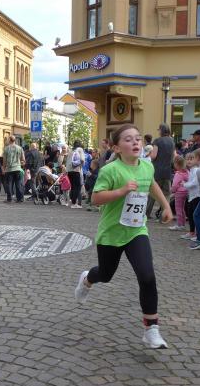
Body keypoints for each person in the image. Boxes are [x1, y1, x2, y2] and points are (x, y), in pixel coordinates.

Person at [73, 124, 173, 349]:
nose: (135, 142)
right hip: (111, 233)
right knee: (106, 274)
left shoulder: (146, 166)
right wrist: (121, 191)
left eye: (138, 138)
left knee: (147, 276)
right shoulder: (111, 170)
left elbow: (152, 184)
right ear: (117, 148)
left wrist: (166, 205)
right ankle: (87, 279)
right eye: (128, 139)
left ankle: (151, 329)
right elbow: (96, 199)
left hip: (137, 230)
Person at [146, 123, 175, 219]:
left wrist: (148, 155)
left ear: (161, 130)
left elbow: (154, 156)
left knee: (152, 192)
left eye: (159, 129)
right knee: (166, 194)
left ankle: (146, 213)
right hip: (167, 172)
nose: (158, 131)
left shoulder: (157, 141)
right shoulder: (172, 141)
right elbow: (174, 156)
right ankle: (164, 215)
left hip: (157, 170)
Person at [181, 152, 200, 240]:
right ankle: (192, 231)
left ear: (196, 160)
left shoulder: (196, 170)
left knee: (194, 215)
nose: (189, 161)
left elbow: (194, 183)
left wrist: (184, 184)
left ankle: (196, 233)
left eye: (191, 159)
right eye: (187, 159)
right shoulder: (191, 170)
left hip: (196, 196)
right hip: (191, 196)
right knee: (190, 214)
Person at [2, 137, 25, 203]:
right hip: (18, 168)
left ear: (9, 140)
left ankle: (9, 199)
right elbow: (23, 160)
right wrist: (19, 164)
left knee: (9, 184)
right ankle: (19, 199)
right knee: (18, 184)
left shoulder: (6, 148)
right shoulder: (20, 148)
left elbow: (4, 161)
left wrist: (3, 169)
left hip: (9, 169)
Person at [169, 156, 189, 231]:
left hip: (179, 193)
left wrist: (172, 191)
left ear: (176, 164)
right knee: (182, 209)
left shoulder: (178, 174)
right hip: (186, 191)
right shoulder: (187, 172)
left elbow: (175, 185)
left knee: (178, 209)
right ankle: (182, 224)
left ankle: (180, 225)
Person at [68, 140, 86, 209]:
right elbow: (82, 159)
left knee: (73, 186)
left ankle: (72, 202)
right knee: (77, 187)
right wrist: (82, 164)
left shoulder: (70, 151)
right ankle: (74, 203)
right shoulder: (80, 150)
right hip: (76, 170)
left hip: (69, 171)